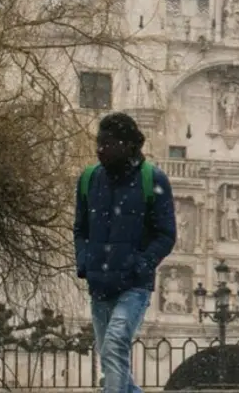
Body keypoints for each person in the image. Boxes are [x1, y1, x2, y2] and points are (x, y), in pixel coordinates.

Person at [74, 112, 176, 393]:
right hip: (100, 284)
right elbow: (80, 229)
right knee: (111, 361)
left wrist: (140, 265)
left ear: (129, 145)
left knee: (114, 345)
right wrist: (84, 262)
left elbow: (166, 234)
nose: (100, 149)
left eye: (107, 143)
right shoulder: (89, 180)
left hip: (134, 286)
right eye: (98, 143)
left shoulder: (152, 179)